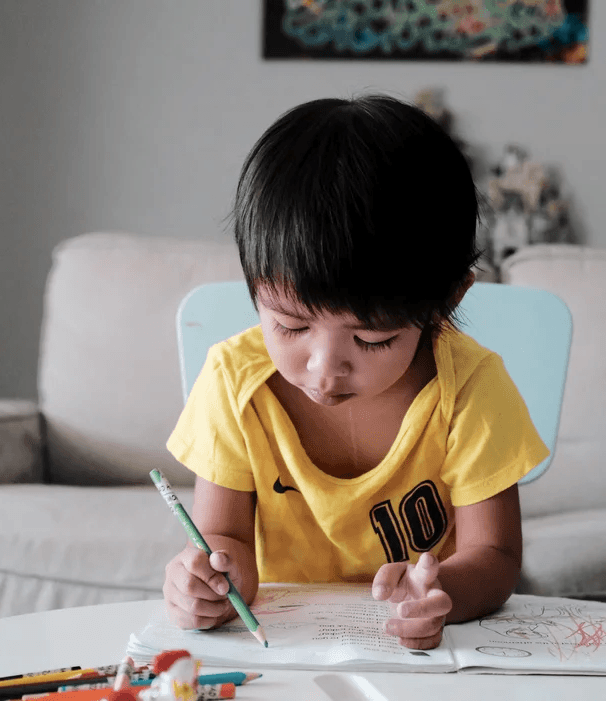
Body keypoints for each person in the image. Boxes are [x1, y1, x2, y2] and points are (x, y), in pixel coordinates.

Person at [162, 94, 549, 650]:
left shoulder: (468, 388)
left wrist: (441, 593)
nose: (324, 371)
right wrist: (212, 582)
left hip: (431, 661)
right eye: (291, 328)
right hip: (287, 650)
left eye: (372, 338)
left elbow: (496, 557)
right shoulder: (234, 383)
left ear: (445, 301)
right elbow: (223, 539)